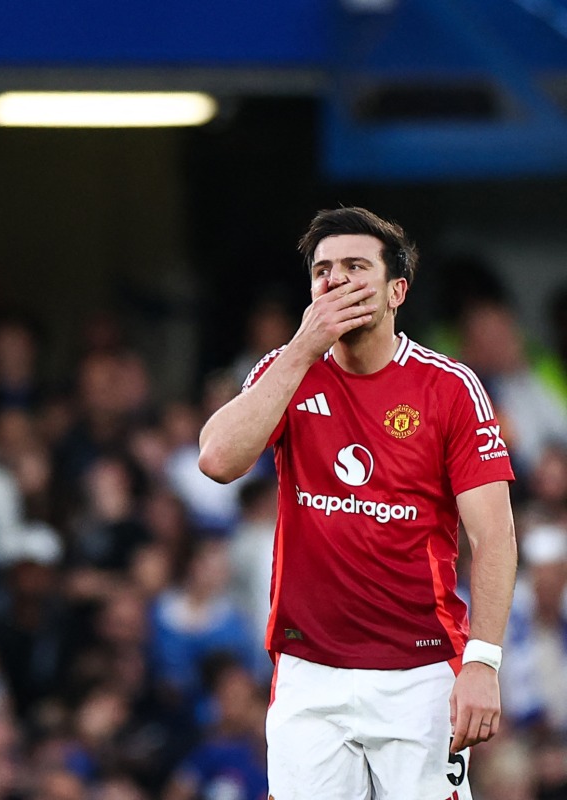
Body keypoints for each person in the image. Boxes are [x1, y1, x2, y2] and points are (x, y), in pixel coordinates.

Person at [198, 207, 517, 799]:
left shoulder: (448, 387)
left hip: (418, 674)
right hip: (309, 671)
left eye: (354, 267)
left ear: (397, 290)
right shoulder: (287, 372)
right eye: (322, 271)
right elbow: (217, 459)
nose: (336, 281)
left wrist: (483, 662)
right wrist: (301, 347)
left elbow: (494, 536)